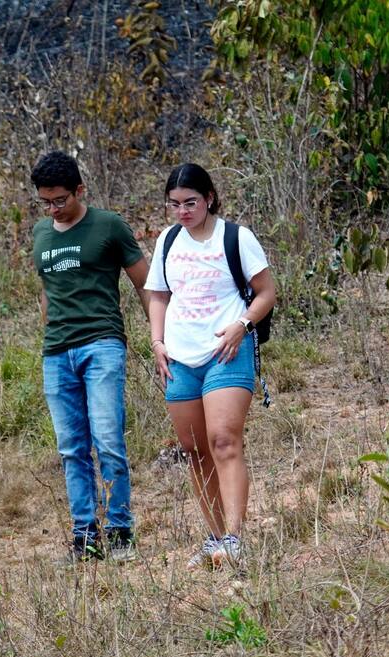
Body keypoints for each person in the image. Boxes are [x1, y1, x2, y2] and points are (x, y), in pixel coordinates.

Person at [144, 163, 277, 569]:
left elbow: (266, 292)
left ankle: (235, 538)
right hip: (180, 357)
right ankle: (214, 537)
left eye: (191, 202)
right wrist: (158, 342)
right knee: (195, 450)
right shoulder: (169, 241)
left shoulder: (236, 237)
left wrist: (242, 325)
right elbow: (158, 295)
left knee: (224, 440)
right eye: (175, 204)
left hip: (226, 351)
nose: (183, 211)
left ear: (210, 199)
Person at [30, 150, 150, 563]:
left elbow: (146, 285)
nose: (53, 209)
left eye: (60, 200)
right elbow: (46, 291)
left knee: (108, 439)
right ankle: (85, 536)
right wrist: (50, 332)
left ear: (80, 190)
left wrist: (159, 337)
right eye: (45, 202)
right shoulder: (41, 234)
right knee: (71, 448)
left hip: (102, 343)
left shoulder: (109, 225)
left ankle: (120, 531)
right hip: (57, 353)